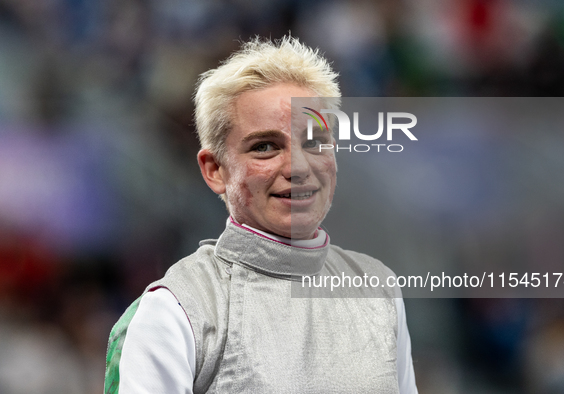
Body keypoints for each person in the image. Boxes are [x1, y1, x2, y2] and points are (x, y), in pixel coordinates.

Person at [104, 36, 418, 394]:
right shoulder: (175, 310)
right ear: (215, 170)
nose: (298, 167)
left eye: (314, 141)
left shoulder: (377, 286)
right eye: (265, 146)